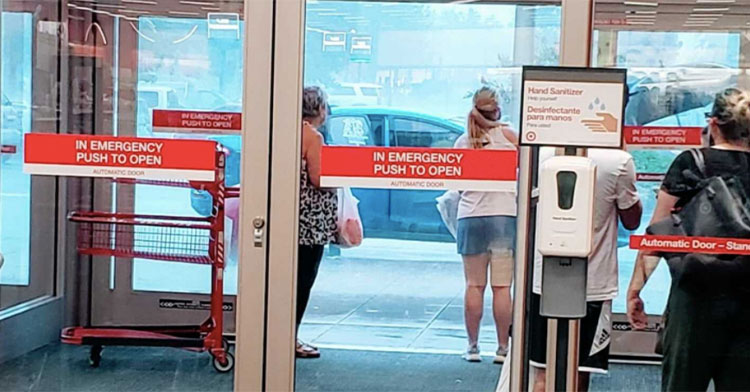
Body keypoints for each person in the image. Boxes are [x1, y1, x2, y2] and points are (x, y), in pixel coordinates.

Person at [627, 87, 750, 391]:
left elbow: (657, 231)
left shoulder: (691, 162)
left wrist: (635, 289)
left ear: (712, 124)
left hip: (694, 296)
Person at [530, 146, 643, 392]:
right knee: (578, 373)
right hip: (593, 282)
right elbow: (632, 220)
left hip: (544, 276)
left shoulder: (539, 154)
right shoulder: (619, 161)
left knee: (542, 372)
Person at [454, 86, 518, 363]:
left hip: (470, 217)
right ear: (497, 109)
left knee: (474, 285)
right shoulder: (510, 137)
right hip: (504, 217)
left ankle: (472, 347)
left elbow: (456, 188)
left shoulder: (462, 141)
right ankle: (503, 348)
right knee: (502, 287)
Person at [296, 86, 338, 359]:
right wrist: (340, 180)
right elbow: (318, 178)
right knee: (302, 281)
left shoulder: (282, 129)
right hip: (309, 223)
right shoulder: (312, 136)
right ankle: (290, 336)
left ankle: (279, 334)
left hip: (287, 216)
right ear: (319, 109)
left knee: (286, 280)